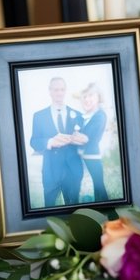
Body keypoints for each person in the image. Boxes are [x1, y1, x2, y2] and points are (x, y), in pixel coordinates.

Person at [29, 77, 84, 207]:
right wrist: (50, 142)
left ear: (65, 91)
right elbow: (34, 141)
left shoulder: (78, 115)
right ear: (50, 91)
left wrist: (79, 140)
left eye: (62, 89)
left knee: (74, 211)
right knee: (49, 210)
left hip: (73, 171)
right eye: (56, 89)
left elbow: (86, 141)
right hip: (51, 172)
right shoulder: (39, 116)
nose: (59, 93)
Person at [71, 83, 109, 203]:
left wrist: (71, 137)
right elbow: (78, 135)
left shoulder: (100, 115)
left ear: (98, 97)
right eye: (84, 97)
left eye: (90, 95)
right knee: (81, 187)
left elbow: (85, 138)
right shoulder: (84, 117)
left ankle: (109, 215)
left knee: (98, 186)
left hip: (92, 156)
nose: (87, 99)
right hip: (80, 157)